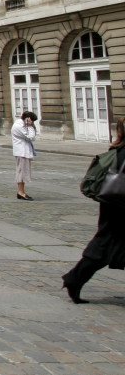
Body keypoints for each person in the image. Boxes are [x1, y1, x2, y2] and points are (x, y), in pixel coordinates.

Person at [62, 118, 125, 304]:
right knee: (104, 246)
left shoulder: (116, 150)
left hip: (112, 203)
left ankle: (74, 279)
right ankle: (74, 279)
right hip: (120, 206)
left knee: (106, 245)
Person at [11, 110, 38, 200]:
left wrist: (29, 126)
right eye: (32, 121)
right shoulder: (19, 126)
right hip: (21, 152)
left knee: (23, 172)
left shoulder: (23, 125)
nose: (32, 123)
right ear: (27, 119)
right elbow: (31, 137)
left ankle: (21, 192)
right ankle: (21, 192)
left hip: (24, 151)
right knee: (21, 172)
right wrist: (30, 126)